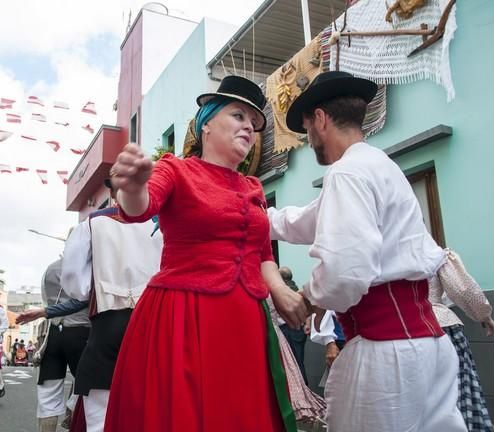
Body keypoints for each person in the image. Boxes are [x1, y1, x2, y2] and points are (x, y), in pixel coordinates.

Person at [104, 75, 309, 431]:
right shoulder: (175, 169)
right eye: (238, 115)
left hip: (247, 321)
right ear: (206, 124)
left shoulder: (253, 187)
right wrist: (133, 186)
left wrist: (281, 292)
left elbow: (262, 255)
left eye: (253, 122)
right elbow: (139, 206)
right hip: (184, 317)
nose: (248, 126)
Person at [268, 70, 466, 431]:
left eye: (308, 128)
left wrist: (307, 301)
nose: (309, 139)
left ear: (321, 120)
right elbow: (304, 220)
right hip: (430, 348)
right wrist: (252, 215)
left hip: (385, 357)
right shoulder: (381, 167)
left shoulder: (346, 174)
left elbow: (345, 272)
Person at [63, 179, 163, 432]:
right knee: (147, 410)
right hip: (151, 322)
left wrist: (102, 287)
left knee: (101, 416)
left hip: (108, 323)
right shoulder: (160, 224)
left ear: (111, 192)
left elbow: (75, 283)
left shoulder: (92, 223)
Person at [16, 257, 91, 432]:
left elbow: (46, 299)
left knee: (48, 393)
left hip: (54, 333)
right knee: (87, 386)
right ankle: (72, 413)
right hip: (82, 332)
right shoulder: (90, 267)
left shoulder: (51, 268)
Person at [429, 249, 494, 431]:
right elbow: (463, 290)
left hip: (405, 333)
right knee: (459, 389)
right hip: (443, 328)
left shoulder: (386, 257)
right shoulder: (433, 254)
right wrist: (484, 316)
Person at [277, 266, 308, 384]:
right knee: (299, 360)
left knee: (292, 363)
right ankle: (304, 388)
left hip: (287, 329)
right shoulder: (296, 290)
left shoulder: (283, 293)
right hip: (299, 329)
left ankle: (300, 391)